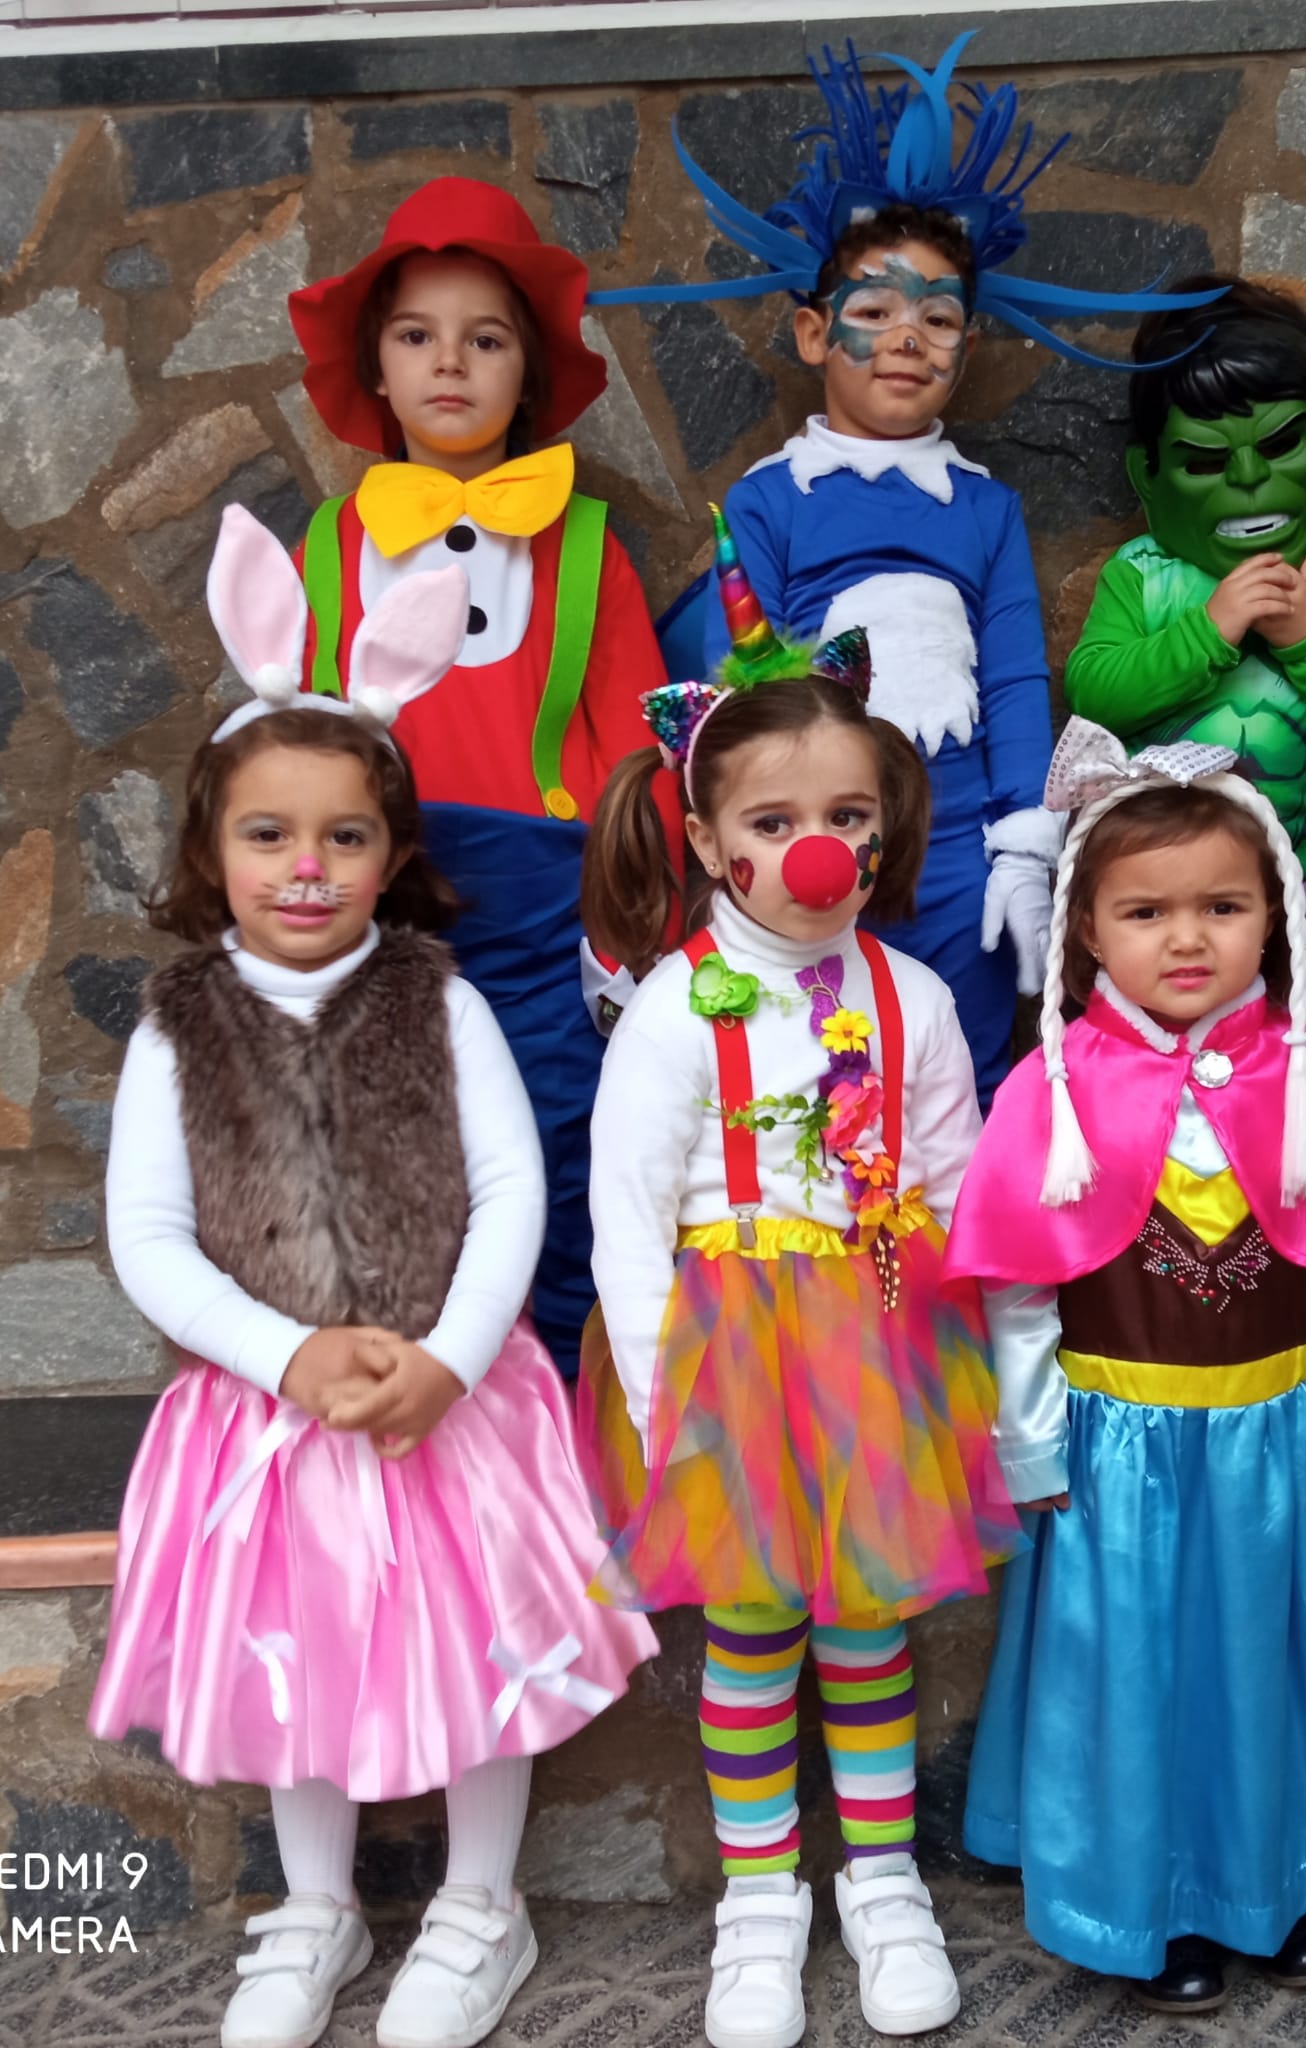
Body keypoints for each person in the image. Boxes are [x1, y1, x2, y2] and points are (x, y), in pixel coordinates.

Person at [90, 506, 656, 2048]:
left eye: (346, 835)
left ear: (394, 852)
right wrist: (285, 1358)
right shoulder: (176, 1026)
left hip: (447, 1404)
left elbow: (511, 1193)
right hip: (271, 1418)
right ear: (213, 849)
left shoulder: (441, 1001)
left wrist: (450, 1359)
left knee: (479, 1646)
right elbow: (144, 1234)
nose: (307, 866)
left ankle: (485, 1900)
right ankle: (317, 1904)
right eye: (268, 834)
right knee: (301, 1652)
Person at [577, 552, 1028, 2048]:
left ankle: (883, 1881)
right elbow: (629, 1220)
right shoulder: (671, 1007)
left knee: (869, 1624)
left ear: (887, 829)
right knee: (758, 1626)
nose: (817, 851)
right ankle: (760, 1895)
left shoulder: (916, 996)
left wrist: (962, 1355)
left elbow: (956, 1175)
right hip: (728, 1361)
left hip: (883, 1345)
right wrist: (663, 1405)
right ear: (708, 841)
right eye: (775, 823)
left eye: (846, 818)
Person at [944, 717, 1306, 2011]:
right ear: (1087, 932)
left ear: (1272, 914)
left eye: (1222, 906)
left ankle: (1273, 1886)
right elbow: (1019, 1291)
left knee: (1264, 1666)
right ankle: (1148, 1904)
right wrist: (1033, 1445)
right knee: (1132, 1677)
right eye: (1147, 911)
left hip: (1264, 1444)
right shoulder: (1051, 1088)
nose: (1187, 939)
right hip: (1119, 1448)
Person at [593, 35, 1221, 1102]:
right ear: (811, 331)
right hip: (818, 837)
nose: (906, 337)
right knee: (816, 1061)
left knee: (962, 1068)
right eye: (872, 311)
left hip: (965, 843)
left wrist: (1025, 847)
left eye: (936, 316)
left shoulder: (985, 508)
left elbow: (1019, 677)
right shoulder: (769, 500)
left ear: (966, 346)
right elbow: (743, 689)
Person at [286, 174, 685, 1373]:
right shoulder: (327, 547)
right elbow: (303, 741)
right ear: (376, 364)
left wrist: (646, 920)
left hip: (552, 914)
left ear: (531, 372)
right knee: (396, 1167)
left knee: (566, 1162)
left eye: (485, 338)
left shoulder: (587, 544)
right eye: (416, 335)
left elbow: (639, 748)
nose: (448, 363)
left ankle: (568, 1442)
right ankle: (424, 1461)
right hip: (387, 907)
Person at [1064, 280, 1306, 1030]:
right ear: (1148, 473)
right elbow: (1095, 690)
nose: (1251, 480)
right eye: (1205, 458)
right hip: (1155, 888)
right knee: (1148, 1062)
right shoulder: (1143, 575)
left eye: (1283, 443)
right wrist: (1210, 629)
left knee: (1301, 1070)